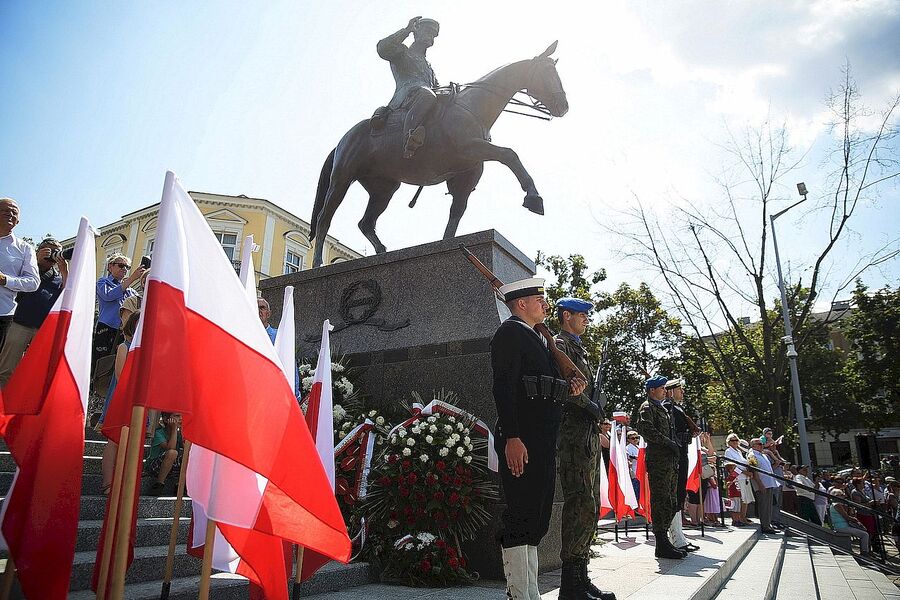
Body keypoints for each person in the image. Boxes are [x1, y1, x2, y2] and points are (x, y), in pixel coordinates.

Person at [490, 278, 586, 600]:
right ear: (520, 305)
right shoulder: (510, 334)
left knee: (537, 518)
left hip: (544, 441)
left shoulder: (540, 340)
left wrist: (568, 386)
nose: (545, 305)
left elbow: (544, 386)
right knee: (521, 515)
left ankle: (529, 592)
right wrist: (512, 437)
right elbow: (503, 389)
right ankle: (520, 594)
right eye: (539, 299)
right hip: (523, 440)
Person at [553, 297, 616, 600]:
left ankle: (581, 575)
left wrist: (596, 409)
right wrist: (590, 406)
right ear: (567, 316)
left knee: (589, 506)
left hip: (587, 436)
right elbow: (565, 387)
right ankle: (570, 584)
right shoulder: (559, 345)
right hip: (573, 436)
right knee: (579, 504)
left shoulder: (579, 348)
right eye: (582, 316)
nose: (587, 320)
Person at [0, 237, 67, 385]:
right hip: (18, 324)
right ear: (39, 250)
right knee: (6, 368)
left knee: (34, 370)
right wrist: (35, 260)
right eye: (50, 250)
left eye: (57, 252)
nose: (52, 255)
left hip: (42, 329)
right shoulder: (25, 268)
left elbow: (67, 297)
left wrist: (64, 272)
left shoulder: (58, 277)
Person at [635, 375, 685, 559]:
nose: (665, 391)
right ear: (652, 390)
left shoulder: (662, 409)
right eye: (662, 388)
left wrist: (675, 444)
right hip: (658, 462)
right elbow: (647, 431)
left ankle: (665, 540)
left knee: (671, 501)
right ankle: (661, 542)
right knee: (661, 501)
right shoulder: (647, 408)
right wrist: (668, 443)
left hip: (669, 462)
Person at [376, 16, 441, 158]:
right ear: (416, 32)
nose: (431, 37)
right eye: (427, 32)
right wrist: (406, 31)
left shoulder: (428, 66)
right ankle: (409, 138)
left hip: (426, 95)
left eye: (433, 35)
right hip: (407, 95)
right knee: (427, 95)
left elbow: (436, 87)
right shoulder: (402, 52)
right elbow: (383, 48)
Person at [99, 310, 140, 495]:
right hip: (121, 401)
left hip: (136, 405)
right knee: (114, 441)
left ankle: (123, 483)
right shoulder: (125, 346)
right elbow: (120, 375)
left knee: (131, 444)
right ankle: (108, 483)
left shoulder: (145, 349)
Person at [663, 378, 700, 552]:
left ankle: (680, 537)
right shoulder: (669, 409)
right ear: (670, 391)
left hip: (681, 456)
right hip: (676, 458)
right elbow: (674, 436)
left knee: (679, 495)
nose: (682, 392)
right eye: (679, 389)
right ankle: (676, 539)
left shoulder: (675, 409)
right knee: (675, 496)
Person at [93, 253, 145, 374]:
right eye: (121, 265)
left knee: (118, 362)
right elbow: (108, 295)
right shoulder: (102, 282)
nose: (125, 269)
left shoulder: (130, 291)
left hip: (123, 330)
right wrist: (132, 279)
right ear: (110, 267)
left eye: (127, 267)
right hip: (106, 327)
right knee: (101, 361)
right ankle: (94, 388)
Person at [0, 198, 40, 350]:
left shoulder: (25, 248)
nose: (10, 213)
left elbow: (33, 282)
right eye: (5, 210)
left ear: (18, 221)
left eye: (14, 212)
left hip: (2, 314)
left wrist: (6, 280)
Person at [145, 413, 184, 494]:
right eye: (177, 416)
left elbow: (186, 448)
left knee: (189, 456)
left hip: (172, 469)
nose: (180, 418)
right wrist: (174, 429)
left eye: (181, 416)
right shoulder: (158, 433)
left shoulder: (179, 434)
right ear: (166, 419)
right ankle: (159, 484)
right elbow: (170, 448)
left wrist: (183, 432)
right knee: (172, 453)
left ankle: (180, 485)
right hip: (155, 467)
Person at [748, 437, 779, 534]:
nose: (762, 445)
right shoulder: (752, 455)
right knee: (764, 505)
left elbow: (769, 468)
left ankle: (768, 524)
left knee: (768, 505)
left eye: (762, 443)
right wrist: (760, 485)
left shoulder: (763, 455)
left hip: (769, 483)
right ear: (753, 446)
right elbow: (754, 470)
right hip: (762, 484)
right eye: (759, 444)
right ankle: (765, 526)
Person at [830, 490, 872, 556]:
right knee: (865, 534)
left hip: (843, 526)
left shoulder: (837, 505)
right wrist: (857, 521)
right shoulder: (837, 505)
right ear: (836, 496)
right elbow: (846, 517)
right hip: (841, 527)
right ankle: (864, 552)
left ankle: (865, 551)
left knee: (863, 532)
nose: (844, 496)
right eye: (842, 495)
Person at [626, 431, 641, 502]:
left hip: (641, 472)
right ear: (628, 439)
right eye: (633, 438)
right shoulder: (628, 448)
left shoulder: (639, 447)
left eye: (636, 438)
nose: (635, 439)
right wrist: (635, 457)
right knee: (635, 492)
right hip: (634, 473)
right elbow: (628, 457)